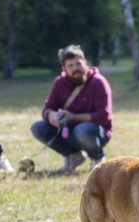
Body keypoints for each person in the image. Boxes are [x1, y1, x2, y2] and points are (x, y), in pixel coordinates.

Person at [31, 45, 113, 175]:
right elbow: (47, 109)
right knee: (38, 128)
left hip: (94, 132)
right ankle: (74, 156)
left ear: (85, 63)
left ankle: (98, 158)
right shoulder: (59, 83)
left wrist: (73, 117)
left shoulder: (98, 82)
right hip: (67, 131)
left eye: (78, 64)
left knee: (82, 130)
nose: (76, 68)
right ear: (64, 69)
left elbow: (104, 116)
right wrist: (51, 115)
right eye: (71, 66)